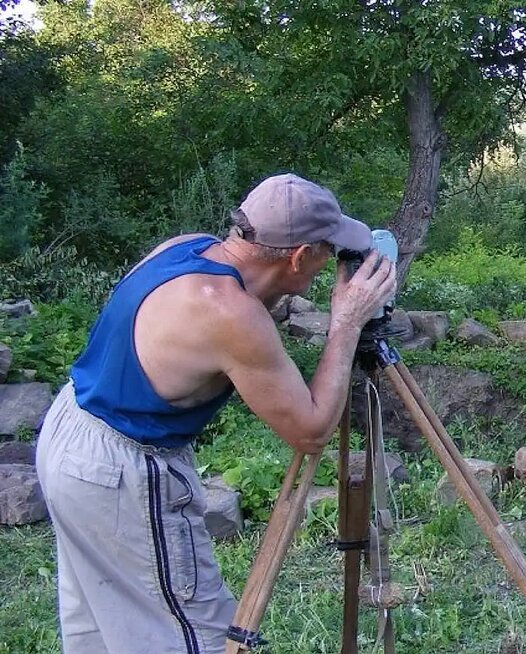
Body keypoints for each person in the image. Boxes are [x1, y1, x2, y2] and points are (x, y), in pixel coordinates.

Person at [35, 173, 398, 653]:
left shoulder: (187, 248)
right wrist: (348, 321)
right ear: (298, 256)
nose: (329, 266)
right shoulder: (229, 313)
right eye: (327, 253)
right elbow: (310, 432)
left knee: (102, 627)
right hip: (121, 468)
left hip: (71, 430)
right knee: (192, 635)